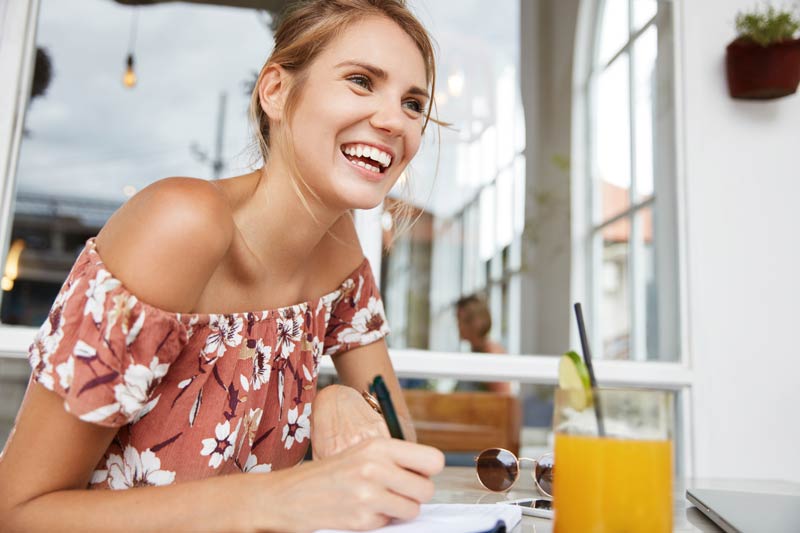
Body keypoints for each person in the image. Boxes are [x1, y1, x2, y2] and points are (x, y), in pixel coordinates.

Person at [0, 1, 446, 531]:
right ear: (276, 91)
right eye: (360, 80)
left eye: (413, 103)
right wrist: (272, 498)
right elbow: (16, 511)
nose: (395, 119)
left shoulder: (340, 250)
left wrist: (341, 399)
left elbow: (399, 460)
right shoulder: (180, 223)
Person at [455, 295, 512, 394]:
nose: (458, 325)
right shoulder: (475, 352)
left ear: (475, 323)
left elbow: (503, 399)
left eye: (460, 320)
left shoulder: (492, 355)